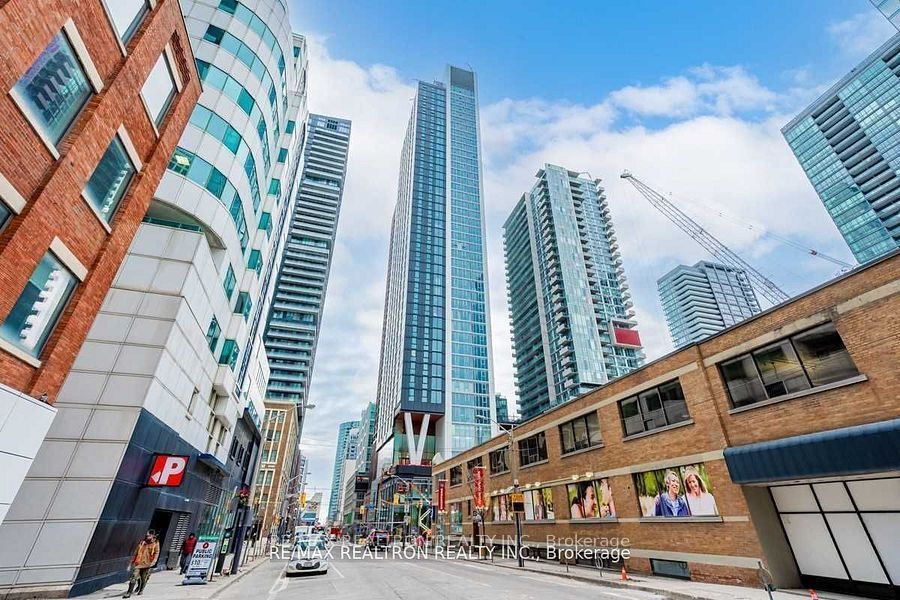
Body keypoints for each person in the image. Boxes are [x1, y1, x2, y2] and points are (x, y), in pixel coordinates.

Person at [123, 530, 160, 598]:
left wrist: (153, 562)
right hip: (138, 563)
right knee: (133, 577)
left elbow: (156, 553)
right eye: (146, 535)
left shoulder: (156, 543)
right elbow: (135, 553)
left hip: (147, 564)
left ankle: (141, 589)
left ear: (152, 536)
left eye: (148, 535)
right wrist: (130, 563)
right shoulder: (142, 543)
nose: (147, 536)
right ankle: (129, 593)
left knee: (143, 578)